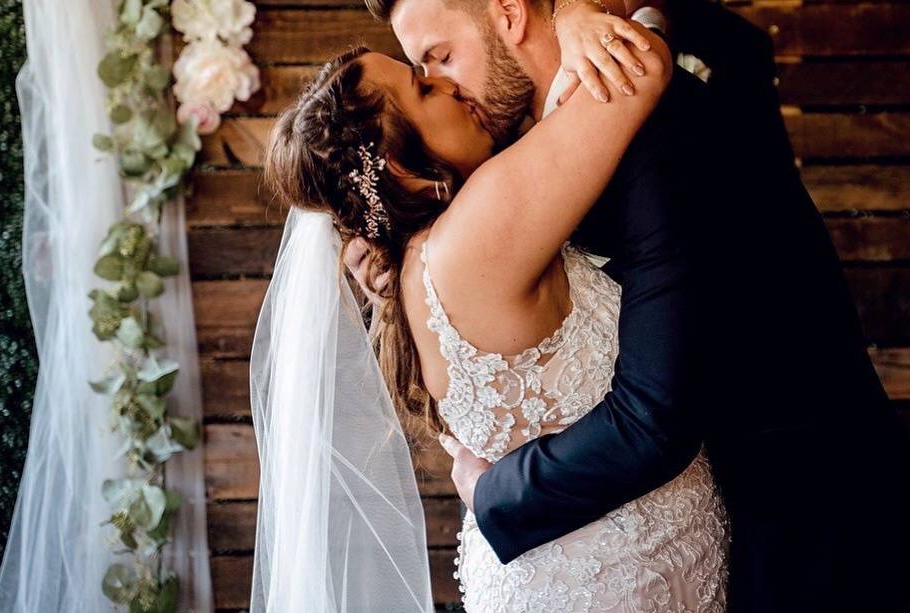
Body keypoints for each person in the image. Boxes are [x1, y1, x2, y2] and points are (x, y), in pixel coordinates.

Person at [347, 0, 910, 611]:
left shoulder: (648, 122)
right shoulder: (527, 157)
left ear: (509, 15)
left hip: (804, 512)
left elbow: (654, 417)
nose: (449, 89)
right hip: (666, 542)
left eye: (443, 59)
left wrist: (494, 495)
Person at [257, 6, 735, 606]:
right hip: (600, 584)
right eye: (425, 87)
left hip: (590, 566)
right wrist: (579, 17)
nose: (449, 86)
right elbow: (636, 65)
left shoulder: (419, 260)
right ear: (404, 170)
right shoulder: (477, 229)